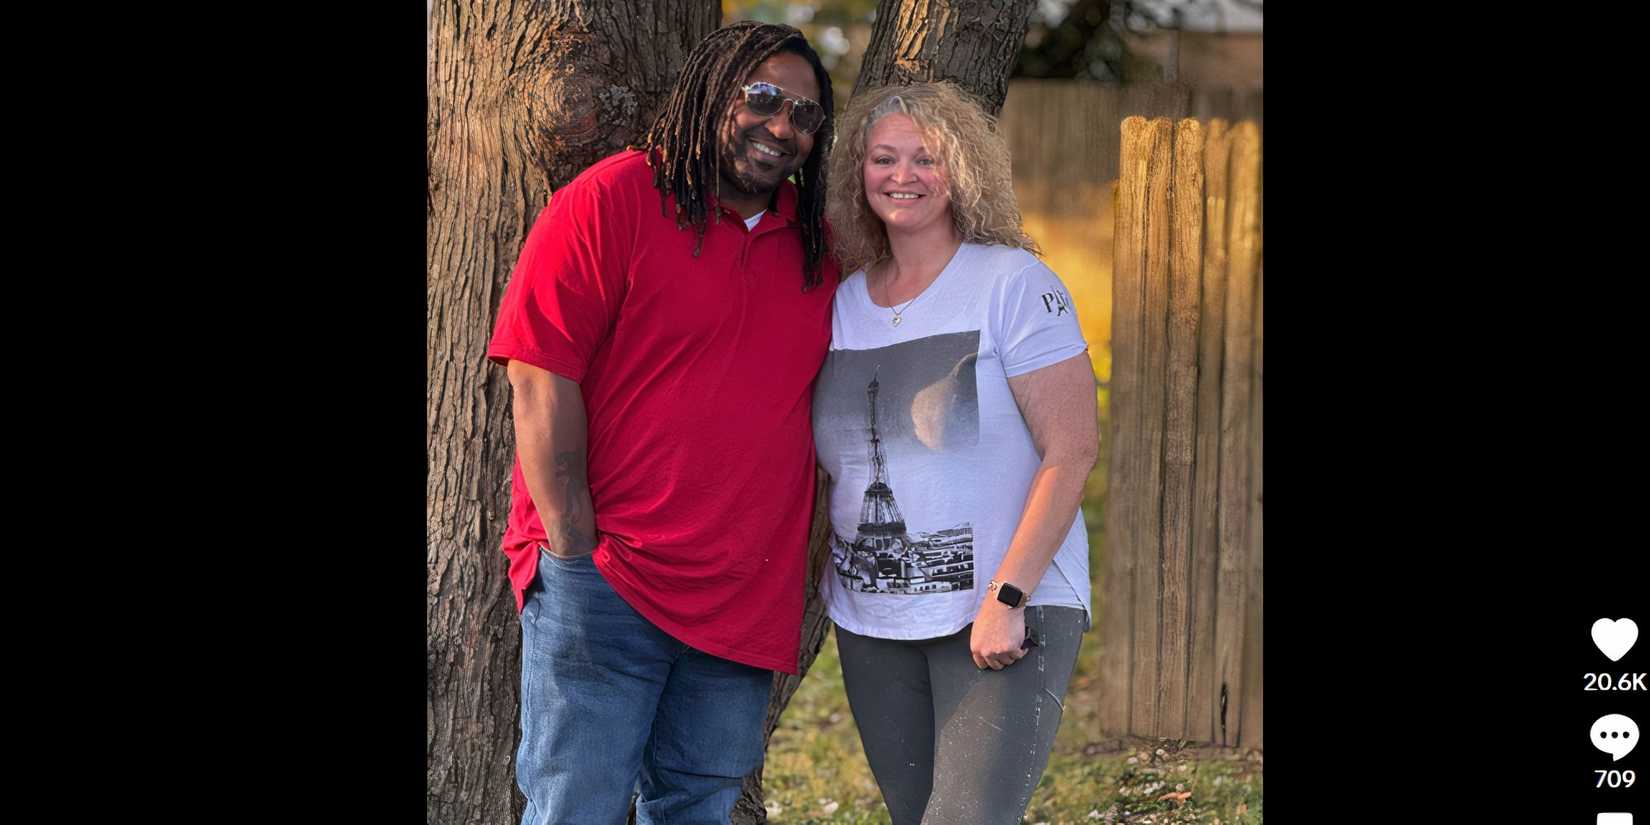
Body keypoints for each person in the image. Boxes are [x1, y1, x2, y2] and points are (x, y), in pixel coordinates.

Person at [485, 21, 837, 825]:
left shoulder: (817, 249)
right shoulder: (612, 200)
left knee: (698, 809)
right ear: (713, 92)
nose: (782, 127)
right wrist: (574, 555)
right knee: (578, 807)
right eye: (762, 98)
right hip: (608, 580)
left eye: (806, 116)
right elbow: (540, 383)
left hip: (743, 600)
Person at [812, 81, 1100, 825]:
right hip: (874, 619)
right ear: (858, 172)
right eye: (884, 158)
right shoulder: (842, 302)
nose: (902, 175)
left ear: (961, 171)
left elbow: (1072, 449)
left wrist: (1008, 598)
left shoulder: (1012, 283)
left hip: (1006, 607)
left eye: (925, 158)